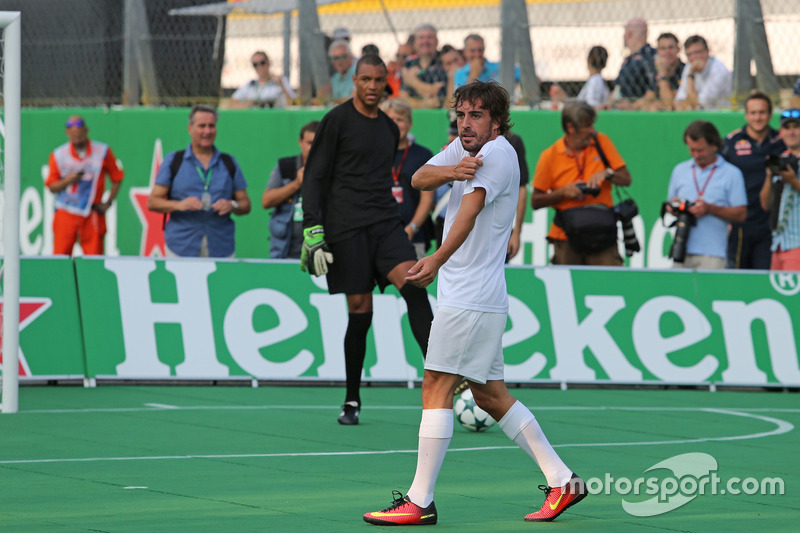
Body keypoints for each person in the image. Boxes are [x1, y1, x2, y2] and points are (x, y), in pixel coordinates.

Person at [363, 80, 587, 526]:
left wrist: (436, 259)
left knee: (435, 386)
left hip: (469, 297)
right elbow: (418, 177)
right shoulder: (464, 148)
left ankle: (420, 500)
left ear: (497, 120)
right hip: (476, 297)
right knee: (489, 395)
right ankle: (563, 481)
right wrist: (452, 170)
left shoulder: (500, 154)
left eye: (476, 115)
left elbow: (466, 216)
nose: (466, 123)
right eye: (461, 114)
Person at [301, 55, 434, 426]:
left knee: (415, 286)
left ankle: (442, 382)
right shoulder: (336, 121)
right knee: (361, 313)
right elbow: (314, 177)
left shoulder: (390, 129)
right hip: (345, 229)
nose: (373, 86)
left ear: (386, 82)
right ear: (355, 81)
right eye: (366, 80)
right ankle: (352, 400)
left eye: (379, 80)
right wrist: (313, 229)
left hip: (386, 224)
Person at [532, 101, 633, 266]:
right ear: (571, 128)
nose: (592, 130)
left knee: (609, 287)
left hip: (603, 233)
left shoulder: (601, 142)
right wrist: (563, 192)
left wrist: (608, 173)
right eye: (587, 126)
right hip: (566, 235)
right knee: (565, 288)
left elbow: (626, 179)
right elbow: (535, 201)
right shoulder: (550, 155)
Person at [147, 105, 251, 258]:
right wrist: (179, 205)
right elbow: (152, 202)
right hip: (181, 246)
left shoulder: (229, 162)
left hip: (221, 246)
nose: (207, 131)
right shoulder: (174, 160)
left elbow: (246, 204)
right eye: (202, 126)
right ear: (190, 129)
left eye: (211, 126)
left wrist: (232, 205)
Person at [666, 120, 747, 269]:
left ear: (714, 145)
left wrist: (709, 209)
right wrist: (674, 207)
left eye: (700, 150)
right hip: (681, 249)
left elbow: (741, 214)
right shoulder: (680, 170)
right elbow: (670, 204)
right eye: (692, 150)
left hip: (714, 253)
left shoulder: (732, 174)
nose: (696, 155)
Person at [721, 91, 785, 269]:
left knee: (764, 279)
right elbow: (718, 177)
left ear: (770, 115)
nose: (758, 117)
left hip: (771, 224)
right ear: (746, 115)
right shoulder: (731, 142)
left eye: (762, 113)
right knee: (737, 279)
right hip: (740, 223)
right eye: (753, 113)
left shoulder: (781, 141)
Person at [45, 115, 124, 255]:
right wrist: (67, 180)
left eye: (80, 135)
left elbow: (117, 177)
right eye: (74, 136)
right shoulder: (59, 155)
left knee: (94, 258)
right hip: (66, 211)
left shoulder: (102, 152)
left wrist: (109, 202)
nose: (77, 139)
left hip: (91, 212)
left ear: (87, 131)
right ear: (67, 134)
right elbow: (51, 186)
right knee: (60, 256)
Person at [380, 98, 435, 259]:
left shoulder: (423, 155)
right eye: (390, 120)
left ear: (409, 124)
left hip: (413, 237)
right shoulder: (372, 154)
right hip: (378, 236)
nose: (395, 124)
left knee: (412, 282)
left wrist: (412, 228)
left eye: (400, 120)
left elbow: (427, 198)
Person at [263, 121, 319, 259]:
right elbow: (266, 201)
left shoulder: (333, 169)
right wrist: (297, 184)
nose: (314, 148)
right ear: (300, 142)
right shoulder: (286, 166)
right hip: (284, 248)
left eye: (319, 143)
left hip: (319, 248)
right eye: (310, 143)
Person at [759, 109, 800, 271]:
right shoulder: (779, 160)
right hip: (778, 244)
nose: (791, 132)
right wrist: (770, 175)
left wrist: (792, 181)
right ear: (781, 132)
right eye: (787, 127)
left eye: (796, 127)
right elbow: (765, 205)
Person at [674, 35, 732, 110]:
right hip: (700, 115)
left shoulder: (719, 71)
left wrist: (690, 75)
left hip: (721, 116)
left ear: (707, 51)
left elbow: (698, 105)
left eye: (697, 52)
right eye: (689, 54)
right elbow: (679, 100)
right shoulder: (689, 66)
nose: (694, 57)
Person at [609, 18, 656, 109]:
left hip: (640, 111)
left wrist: (633, 106)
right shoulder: (629, 59)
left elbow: (654, 89)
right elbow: (617, 89)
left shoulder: (648, 57)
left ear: (628, 34)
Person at [399, 24, 448, 108]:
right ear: (415, 42)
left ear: (436, 41)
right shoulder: (409, 62)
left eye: (429, 37)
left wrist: (413, 82)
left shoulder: (444, 61)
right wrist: (423, 104)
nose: (425, 41)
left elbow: (441, 96)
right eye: (421, 38)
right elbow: (403, 97)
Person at [230, 51, 295, 108]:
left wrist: (281, 86)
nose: (259, 67)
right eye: (255, 65)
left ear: (268, 63)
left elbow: (293, 103)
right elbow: (232, 103)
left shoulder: (281, 81)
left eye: (262, 63)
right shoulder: (250, 85)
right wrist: (248, 105)